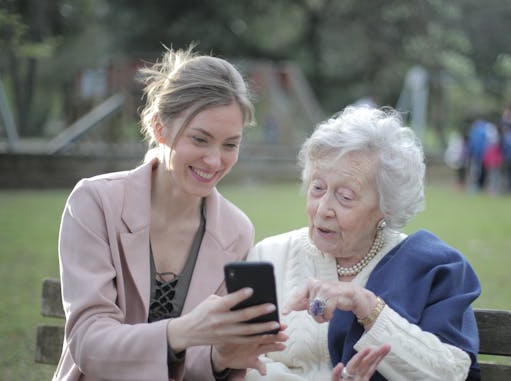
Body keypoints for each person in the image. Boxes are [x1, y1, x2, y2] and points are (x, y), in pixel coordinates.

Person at [53, 46, 287, 381]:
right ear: (159, 127)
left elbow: (195, 365)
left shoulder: (236, 230)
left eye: (230, 145)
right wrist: (178, 332)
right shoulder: (95, 202)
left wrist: (221, 358)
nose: (214, 160)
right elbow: (89, 343)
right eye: (200, 139)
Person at [246, 106, 481, 381]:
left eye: (345, 196)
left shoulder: (431, 267)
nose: (323, 209)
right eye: (318, 187)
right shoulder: (269, 256)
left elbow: (451, 372)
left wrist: (367, 307)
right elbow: (240, 362)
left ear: (386, 207)